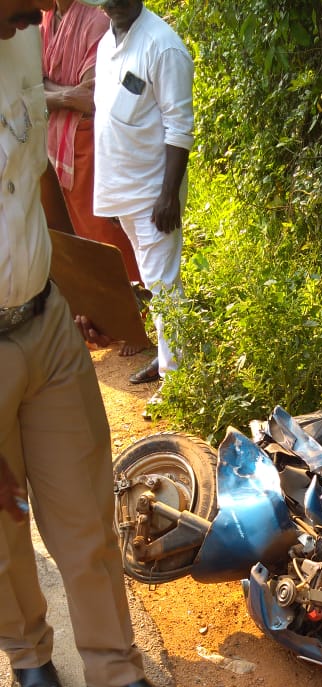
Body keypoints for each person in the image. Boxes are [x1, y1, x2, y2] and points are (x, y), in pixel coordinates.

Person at [0, 0, 191, 687]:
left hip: (45, 320)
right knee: (3, 521)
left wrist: (79, 284)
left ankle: (113, 670)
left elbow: (36, 175)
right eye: (31, 3)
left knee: (84, 502)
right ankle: (29, 657)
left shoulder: (23, 38)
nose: (43, 15)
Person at [80, 0, 194, 402]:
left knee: (163, 284)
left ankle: (178, 383)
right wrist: (111, 196)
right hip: (124, 190)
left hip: (153, 192)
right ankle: (167, 359)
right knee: (152, 279)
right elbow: (110, 117)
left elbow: (180, 127)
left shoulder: (163, 45)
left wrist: (168, 195)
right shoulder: (106, 42)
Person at [41, 0, 141, 284]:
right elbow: (30, 86)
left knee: (107, 242)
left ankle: (131, 306)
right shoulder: (45, 18)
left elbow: (90, 98)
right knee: (72, 243)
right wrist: (65, 96)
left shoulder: (96, 20)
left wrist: (47, 91)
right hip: (54, 147)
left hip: (92, 149)